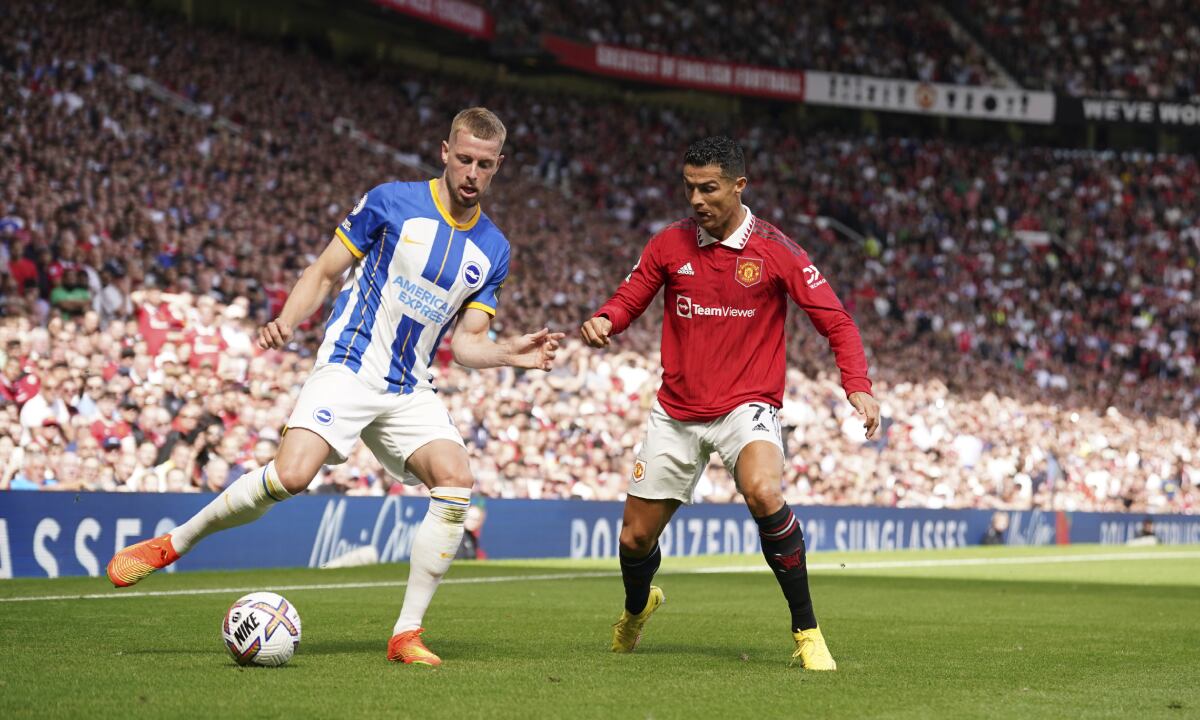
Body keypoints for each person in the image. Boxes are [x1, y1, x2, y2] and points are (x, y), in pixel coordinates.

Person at [107, 108, 565, 666]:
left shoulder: (493, 249)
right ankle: (171, 544)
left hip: (408, 387)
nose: (472, 173)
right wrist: (288, 320)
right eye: (464, 159)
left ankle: (406, 634)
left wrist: (510, 353)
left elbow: (467, 345)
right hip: (350, 363)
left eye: (484, 165)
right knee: (292, 476)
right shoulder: (391, 201)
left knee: (456, 480)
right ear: (445, 152)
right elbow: (325, 271)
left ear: (499, 166)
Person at [580, 136, 880, 670]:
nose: (696, 199)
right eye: (689, 187)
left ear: (739, 185)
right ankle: (637, 606)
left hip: (747, 404)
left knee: (764, 491)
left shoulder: (776, 250)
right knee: (634, 538)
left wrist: (856, 384)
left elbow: (836, 320)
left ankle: (807, 630)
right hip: (677, 409)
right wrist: (606, 319)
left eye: (709, 188)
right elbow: (631, 295)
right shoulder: (669, 243)